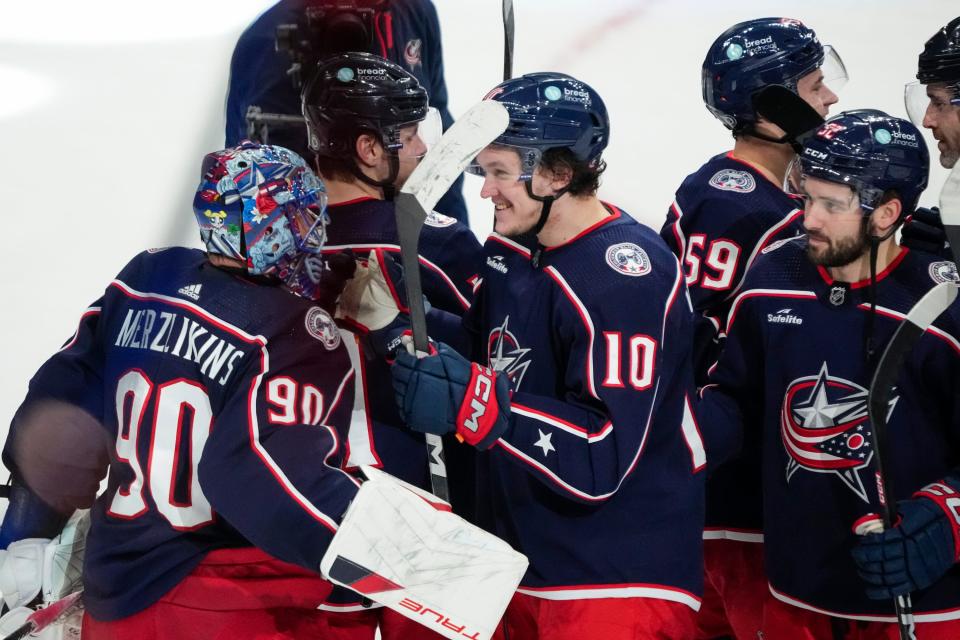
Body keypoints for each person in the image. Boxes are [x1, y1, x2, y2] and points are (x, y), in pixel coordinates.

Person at [388, 72, 706, 640]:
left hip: (612, 584)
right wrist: (393, 327)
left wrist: (477, 405)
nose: (484, 191)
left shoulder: (622, 279)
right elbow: (492, 351)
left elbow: (603, 455)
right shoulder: (514, 249)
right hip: (521, 570)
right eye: (484, 171)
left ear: (558, 173)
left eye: (500, 173)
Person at [0, 141, 362, 638]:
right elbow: (266, 482)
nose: (314, 234)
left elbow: (58, 406)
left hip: (114, 594)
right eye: (302, 219)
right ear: (269, 225)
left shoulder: (147, 277)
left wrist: (25, 529)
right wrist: (378, 550)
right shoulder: (296, 332)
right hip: (220, 606)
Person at [700, 110, 960, 638]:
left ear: (887, 213)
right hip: (796, 596)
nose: (808, 218)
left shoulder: (943, 306)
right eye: (807, 197)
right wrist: (674, 427)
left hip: (922, 605)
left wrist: (946, 520)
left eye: (831, 205)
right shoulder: (775, 273)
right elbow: (736, 402)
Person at [659, 17, 845, 639]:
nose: (831, 99)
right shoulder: (777, 220)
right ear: (772, 109)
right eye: (817, 86)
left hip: (699, 480)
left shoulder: (705, 186)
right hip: (747, 494)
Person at [300, 51, 482, 639]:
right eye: (408, 135)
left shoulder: (278, 246)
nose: (425, 149)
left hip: (311, 505)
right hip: (421, 507)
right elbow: (504, 348)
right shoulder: (430, 241)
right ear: (369, 150)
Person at [224, 0, 468, 222]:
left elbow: (441, 145)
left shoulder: (414, 11)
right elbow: (249, 183)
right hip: (312, 242)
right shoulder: (269, 42)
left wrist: (455, 242)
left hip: (408, 231)